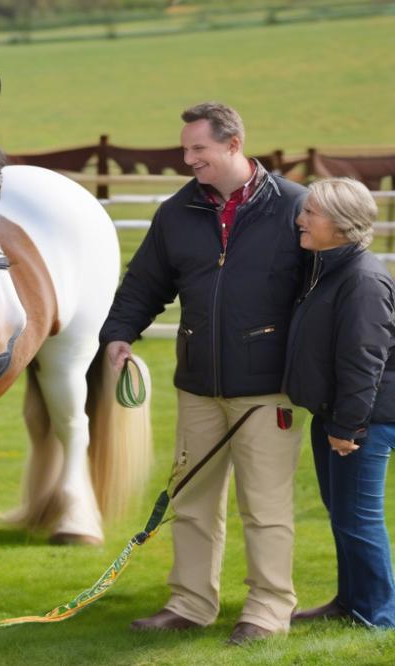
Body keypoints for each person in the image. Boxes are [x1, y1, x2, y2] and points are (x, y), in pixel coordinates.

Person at [100, 102, 308, 644]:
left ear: (234, 143)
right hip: (197, 386)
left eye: (199, 149)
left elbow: (324, 295)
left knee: (264, 507)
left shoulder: (294, 207)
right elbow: (145, 282)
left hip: (269, 391)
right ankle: (191, 603)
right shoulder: (177, 212)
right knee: (190, 501)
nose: (187, 159)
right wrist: (119, 333)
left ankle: (267, 611)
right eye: (185, 149)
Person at [283, 177, 395, 628]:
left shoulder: (363, 280)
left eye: (310, 213)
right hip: (336, 415)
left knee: (359, 520)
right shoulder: (327, 270)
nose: (300, 220)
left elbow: (362, 361)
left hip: (363, 421)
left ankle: (380, 617)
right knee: (344, 515)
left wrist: (347, 427)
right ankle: (350, 601)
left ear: (342, 224)